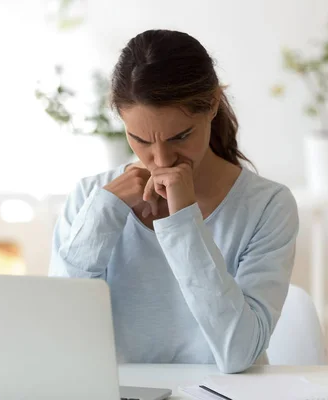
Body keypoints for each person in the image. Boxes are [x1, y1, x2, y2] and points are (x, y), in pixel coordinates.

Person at [49, 29, 299, 374]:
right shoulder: (91, 197)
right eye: (140, 139)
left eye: (180, 136)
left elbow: (238, 352)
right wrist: (102, 218)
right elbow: (54, 336)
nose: (162, 159)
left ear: (212, 105)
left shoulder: (268, 206)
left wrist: (183, 223)